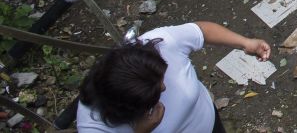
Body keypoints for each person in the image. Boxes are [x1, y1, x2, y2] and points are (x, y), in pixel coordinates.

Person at [77, 21, 271, 132]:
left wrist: (246, 42)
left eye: (162, 77)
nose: (164, 88)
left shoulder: (160, 44)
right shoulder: (93, 126)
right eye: (156, 93)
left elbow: (201, 31)